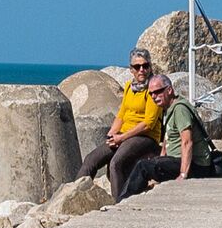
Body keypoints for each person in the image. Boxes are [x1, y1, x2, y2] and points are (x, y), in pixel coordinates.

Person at [82, 49, 191, 199]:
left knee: (116, 163)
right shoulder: (129, 87)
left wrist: (122, 138)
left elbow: (149, 123)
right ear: (131, 69)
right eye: (137, 67)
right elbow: (121, 115)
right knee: (91, 160)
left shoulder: (153, 90)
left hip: (145, 136)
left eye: (145, 66)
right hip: (124, 134)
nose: (142, 70)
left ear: (150, 67)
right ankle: (73, 192)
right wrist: (111, 136)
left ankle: (119, 202)